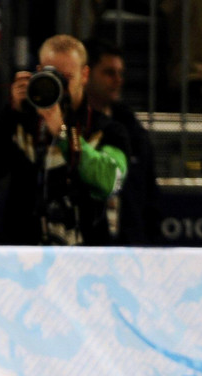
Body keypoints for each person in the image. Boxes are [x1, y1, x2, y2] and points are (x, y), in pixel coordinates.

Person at [0, 34, 129, 245]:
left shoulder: (108, 130)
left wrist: (62, 132)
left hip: (86, 260)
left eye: (66, 78)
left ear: (84, 75)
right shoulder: (20, 122)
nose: (59, 86)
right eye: (52, 76)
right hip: (24, 260)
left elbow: (109, 180)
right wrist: (9, 114)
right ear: (38, 72)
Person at [83, 38, 160, 245]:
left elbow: (150, 198)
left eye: (120, 73)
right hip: (84, 248)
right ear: (85, 75)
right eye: (109, 73)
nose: (118, 80)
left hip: (132, 249)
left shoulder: (134, 130)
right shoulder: (70, 128)